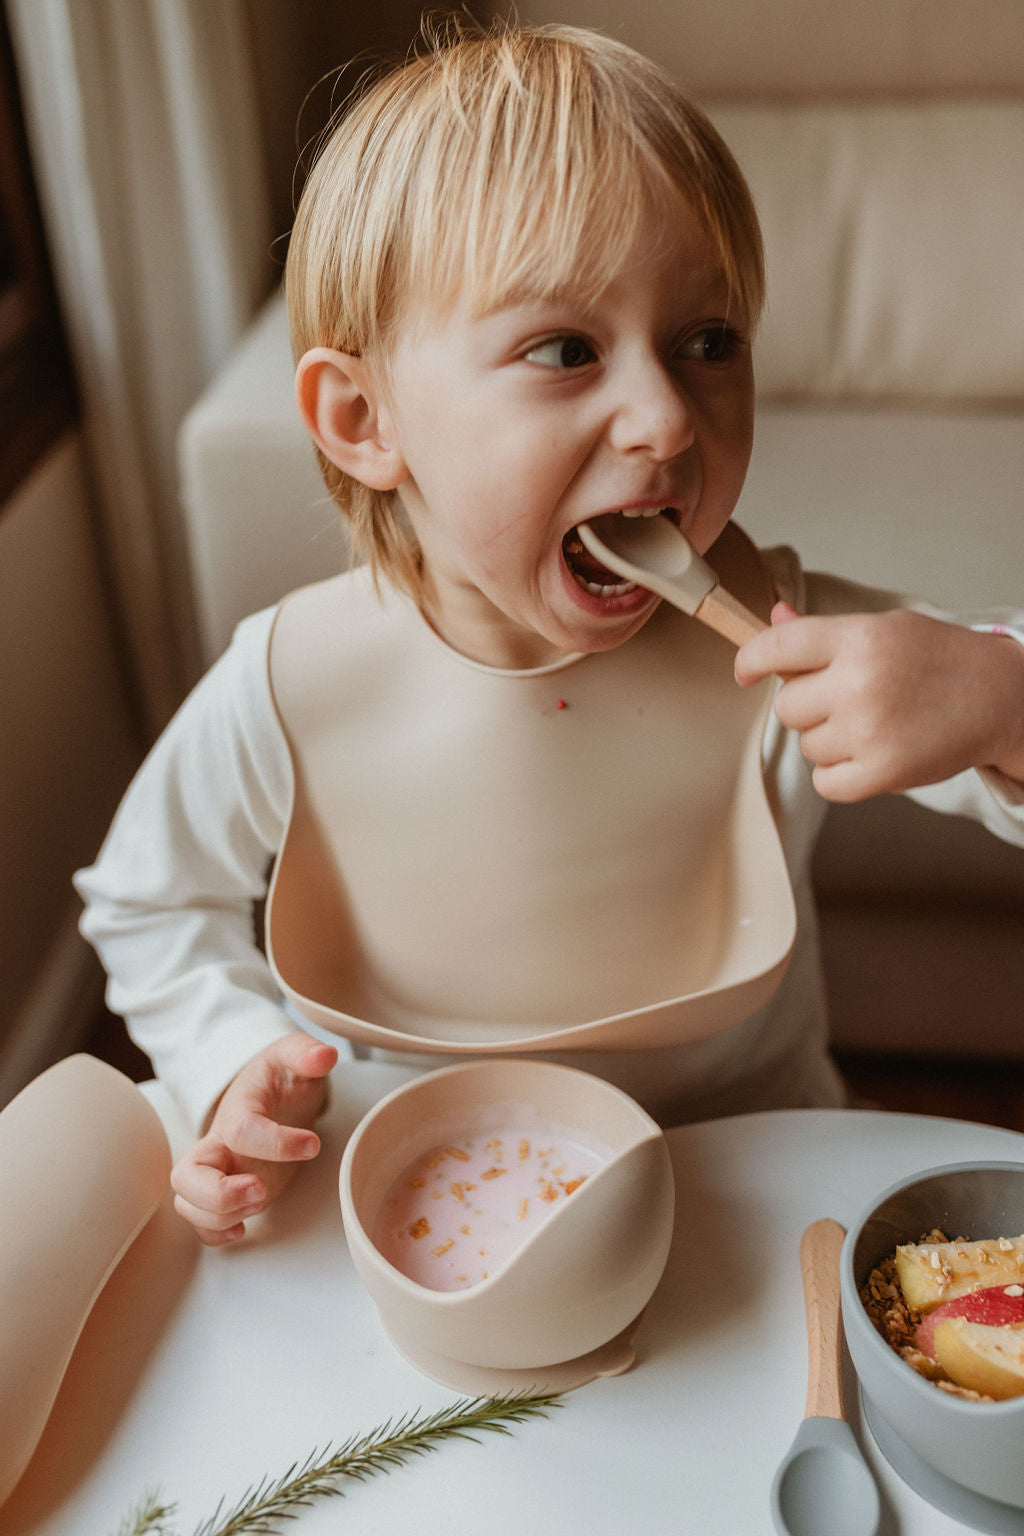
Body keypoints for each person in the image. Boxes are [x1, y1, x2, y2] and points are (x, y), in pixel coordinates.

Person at [75, 18, 1024, 1246]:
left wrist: (995, 696)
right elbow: (147, 903)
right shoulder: (287, 685)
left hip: (746, 1195)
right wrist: (231, 1059)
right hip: (436, 1211)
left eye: (707, 343)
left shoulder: (786, 634)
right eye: (565, 350)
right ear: (364, 418)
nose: (666, 420)